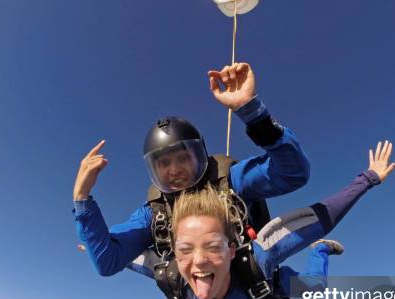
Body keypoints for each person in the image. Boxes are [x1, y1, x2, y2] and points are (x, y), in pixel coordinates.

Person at [135, 140, 395, 299]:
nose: (199, 261)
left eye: (213, 247)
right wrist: (91, 219)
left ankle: (320, 250)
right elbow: (122, 258)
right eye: (186, 250)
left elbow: (317, 217)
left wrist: (369, 178)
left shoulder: (258, 260)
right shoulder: (173, 274)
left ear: (231, 249)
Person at [73, 62, 311, 283]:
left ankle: (320, 251)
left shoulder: (230, 181)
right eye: (164, 163)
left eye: (183, 157)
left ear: (200, 155)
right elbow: (107, 261)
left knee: (310, 286)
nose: (174, 169)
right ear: (153, 169)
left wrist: (251, 111)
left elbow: (293, 173)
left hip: (259, 292)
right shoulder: (155, 212)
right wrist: (82, 197)